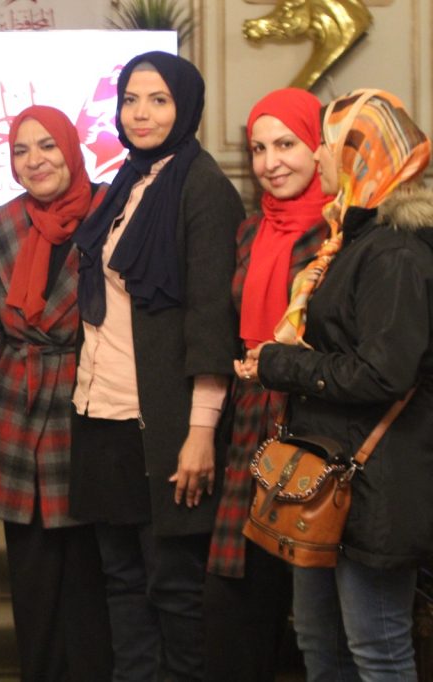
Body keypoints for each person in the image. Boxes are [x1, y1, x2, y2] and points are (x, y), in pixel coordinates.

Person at [240, 88, 433, 681]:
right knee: (319, 644)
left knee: (377, 651)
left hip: (376, 486)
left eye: (328, 142)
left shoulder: (395, 252)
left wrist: (279, 364)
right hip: (330, 479)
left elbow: (383, 372)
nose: (319, 154)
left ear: (360, 155)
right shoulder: (352, 238)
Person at [68, 51, 244, 681]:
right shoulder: (129, 179)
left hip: (165, 425)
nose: (140, 114)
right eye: (131, 100)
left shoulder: (204, 188)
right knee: (121, 582)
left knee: (173, 588)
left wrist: (201, 431)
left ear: (186, 106)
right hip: (102, 412)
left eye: (159, 100)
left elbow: (210, 321)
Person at [0, 104, 113, 681]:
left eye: (47, 146)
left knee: (88, 579)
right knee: (31, 580)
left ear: (71, 149)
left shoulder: (110, 212)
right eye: (21, 150)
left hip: (88, 403)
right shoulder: (1, 224)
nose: (35, 161)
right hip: (18, 405)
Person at [203, 88, 332, 682]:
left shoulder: (341, 233)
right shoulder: (250, 231)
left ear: (319, 148)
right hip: (252, 421)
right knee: (236, 604)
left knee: (317, 618)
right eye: (258, 148)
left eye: (286, 145)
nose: (271, 162)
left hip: (317, 428)